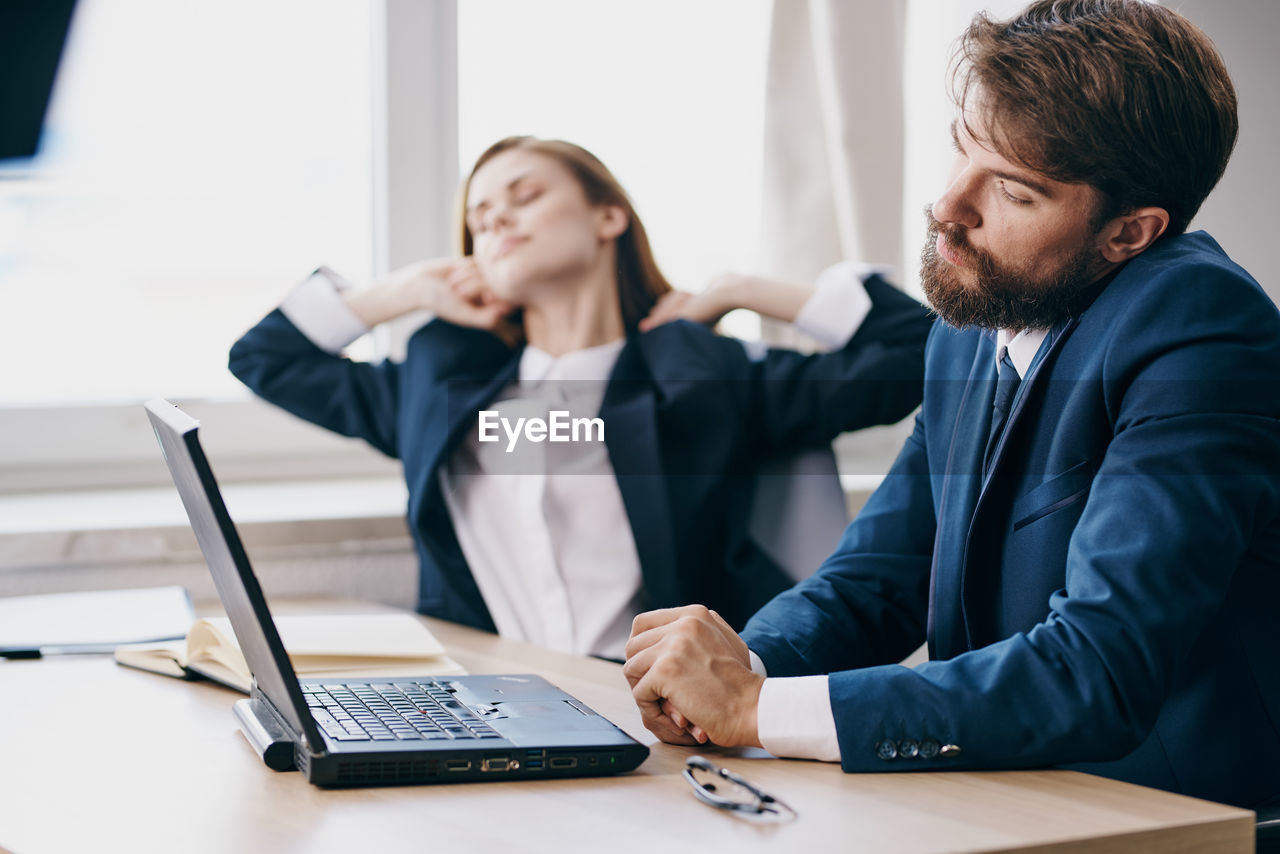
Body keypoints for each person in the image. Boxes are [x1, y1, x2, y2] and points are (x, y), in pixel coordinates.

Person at [623, 0, 1280, 810]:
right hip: (1005, 794)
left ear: (1129, 234)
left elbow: (1097, 671)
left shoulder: (1200, 328)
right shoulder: (971, 325)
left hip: (1168, 814)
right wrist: (735, 672)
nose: (947, 209)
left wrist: (757, 708)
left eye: (1011, 189)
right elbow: (878, 578)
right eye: (961, 147)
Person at [230, 136, 934, 661]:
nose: (496, 219)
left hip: (661, 717)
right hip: (483, 704)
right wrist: (408, 289)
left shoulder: (704, 378)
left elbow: (922, 352)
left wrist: (742, 289)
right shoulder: (440, 383)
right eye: (479, 216)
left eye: (524, 196)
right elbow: (265, 358)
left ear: (608, 218)